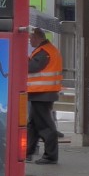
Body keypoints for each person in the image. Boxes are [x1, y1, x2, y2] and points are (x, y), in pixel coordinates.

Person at [27, 27, 63, 164]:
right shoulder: (46, 50)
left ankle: (50, 156)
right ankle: (27, 152)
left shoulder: (44, 52)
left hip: (43, 92)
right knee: (33, 125)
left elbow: (31, 67)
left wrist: (21, 57)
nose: (29, 41)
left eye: (31, 38)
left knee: (45, 125)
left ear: (37, 37)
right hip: (42, 93)